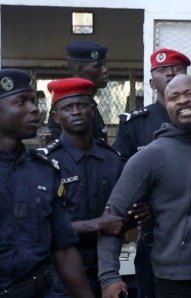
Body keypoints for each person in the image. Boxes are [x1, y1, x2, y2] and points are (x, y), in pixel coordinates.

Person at [112, 47, 191, 298]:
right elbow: (124, 179)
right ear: (152, 82)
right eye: (162, 70)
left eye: (177, 70)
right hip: (154, 236)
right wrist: (143, 202)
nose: (170, 74)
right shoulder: (136, 123)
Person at [0, 69, 94, 297]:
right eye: (21, 102)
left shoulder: (43, 170)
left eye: (33, 101)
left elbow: (63, 248)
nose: (34, 108)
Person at [39, 78, 125, 297]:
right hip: (60, 270)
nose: (76, 112)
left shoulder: (112, 159)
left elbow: (122, 215)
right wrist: (97, 224)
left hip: (105, 265)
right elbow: (42, 226)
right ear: (56, 117)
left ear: (92, 111)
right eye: (68, 107)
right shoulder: (45, 164)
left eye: (82, 105)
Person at [48, 40, 110, 142]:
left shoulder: (90, 103)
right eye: (98, 66)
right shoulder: (67, 107)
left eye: (104, 65)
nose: (105, 70)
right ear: (79, 69)